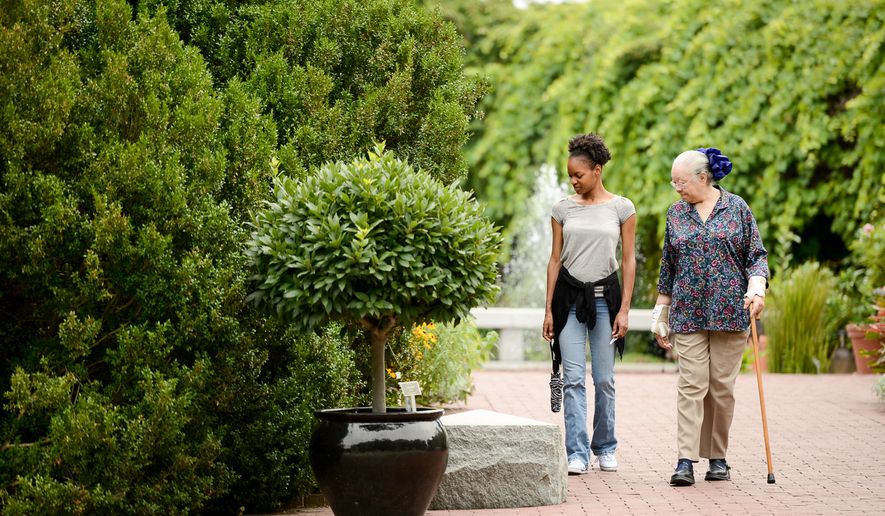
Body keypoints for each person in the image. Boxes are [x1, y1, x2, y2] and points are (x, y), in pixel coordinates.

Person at [651, 148, 769, 486]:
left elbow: (756, 257)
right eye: (673, 182)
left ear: (703, 178)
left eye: (681, 181)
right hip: (687, 314)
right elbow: (667, 269)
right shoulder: (675, 214)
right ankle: (685, 460)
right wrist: (660, 316)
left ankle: (718, 458)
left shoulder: (738, 209)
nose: (677, 188)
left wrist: (757, 289)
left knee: (720, 388)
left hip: (731, 312)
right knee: (691, 384)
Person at [543, 133, 636, 475]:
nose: (573, 181)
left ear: (597, 171)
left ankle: (606, 447)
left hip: (604, 301)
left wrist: (625, 309)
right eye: (570, 175)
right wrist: (548, 309)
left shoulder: (622, 208)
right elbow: (555, 260)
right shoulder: (562, 209)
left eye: (578, 175)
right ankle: (578, 453)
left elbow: (628, 262)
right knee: (572, 379)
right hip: (568, 300)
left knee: (605, 379)